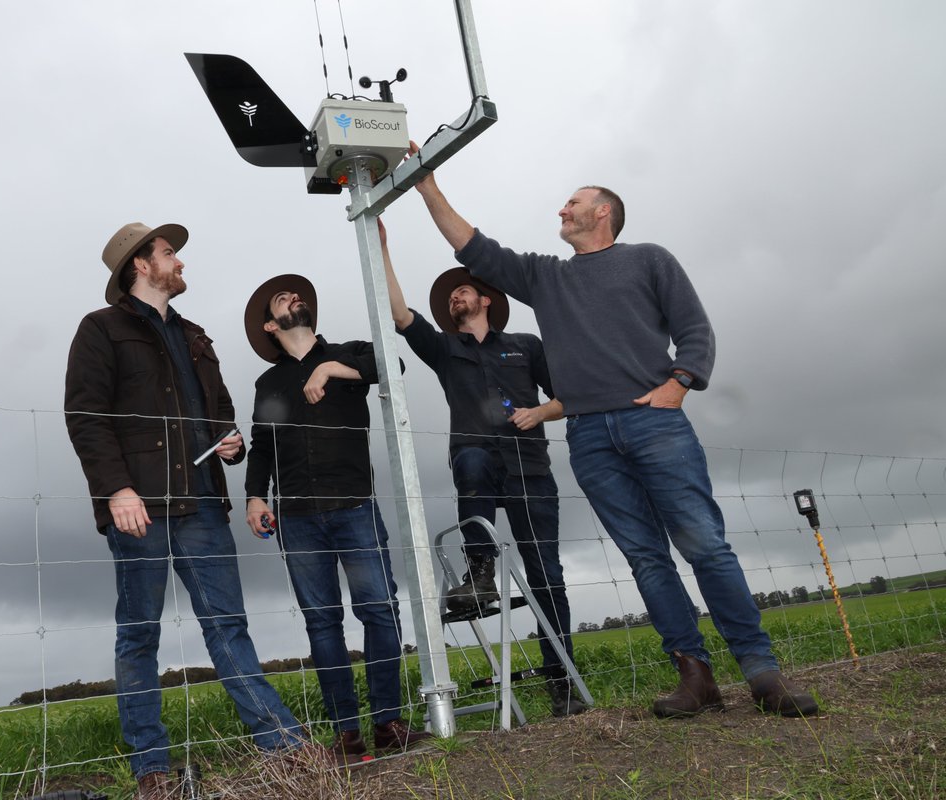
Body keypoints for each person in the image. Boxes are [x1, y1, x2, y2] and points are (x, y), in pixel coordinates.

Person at [408, 142, 818, 719]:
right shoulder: (545, 277)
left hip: (655, 423)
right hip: (589, 437)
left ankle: (761, 672)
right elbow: (475, 247)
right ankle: (694, 675)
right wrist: (428, 186)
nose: (562, 211)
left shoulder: (649, 259)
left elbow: (695, 328)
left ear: (603, 212)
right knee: (646, 558)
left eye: (572, 203)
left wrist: (681, 381)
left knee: (704, 544)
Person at [65, 223, 317, 799]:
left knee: (228, 627)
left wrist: (229, 440)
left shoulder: (197, 334)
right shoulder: (101, 329)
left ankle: (283, 746)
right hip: (140, 508)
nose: (178, 261)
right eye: (168, 253)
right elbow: (85, 416)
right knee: (139, 636)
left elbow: (223, 410)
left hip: (203, 503)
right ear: (140, 265)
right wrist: (116, 490)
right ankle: (153, 768)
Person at [378, 220, 587, 717]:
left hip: (530, 470)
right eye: (450, 297)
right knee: (469, 458)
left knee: (548, 577)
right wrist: (382, 249)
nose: (455, 298)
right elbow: (401, 315)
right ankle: (480, 568)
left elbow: (569, 395)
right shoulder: (446, 351)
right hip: (477, 461)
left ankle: (565, 685)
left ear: (486, 300)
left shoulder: (525, 345)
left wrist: (540, 413)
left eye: (463, 291)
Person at [243, 274, 432, 764]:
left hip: (355, 507)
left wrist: (330, 367)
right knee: (322, 625)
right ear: (270, 324)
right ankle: (347, 735)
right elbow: (262, 445)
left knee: (379, 609)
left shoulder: (349, 351)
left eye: (297, 295)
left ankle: (388, 722)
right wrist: (253, 498)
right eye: (281, 299)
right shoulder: (268, 382)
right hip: (297, 517)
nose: (293, 298)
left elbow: (393, 363)